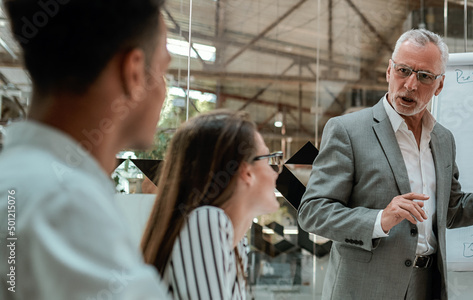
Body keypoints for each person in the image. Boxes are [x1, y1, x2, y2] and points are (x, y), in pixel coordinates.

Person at [297, 29, 473, 300]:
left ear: (440, 85)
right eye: (403, 71)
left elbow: (453, 210)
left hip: (427, 285)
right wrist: (379, 219)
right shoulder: (347, 130)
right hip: (365, 288)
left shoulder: (443, 139)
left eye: (424, 76)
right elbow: (313, 211)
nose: (410, 84)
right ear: (389, 71)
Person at [0, 0, 171, 299]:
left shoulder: (21, 179)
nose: (163, 91)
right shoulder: (64, 202)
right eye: (163, 70)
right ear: (133, 73)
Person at [140, 110, 281, 299]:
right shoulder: (206, 221)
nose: (276, 173)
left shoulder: (234, 241)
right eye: (269, 159)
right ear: (246, 172)